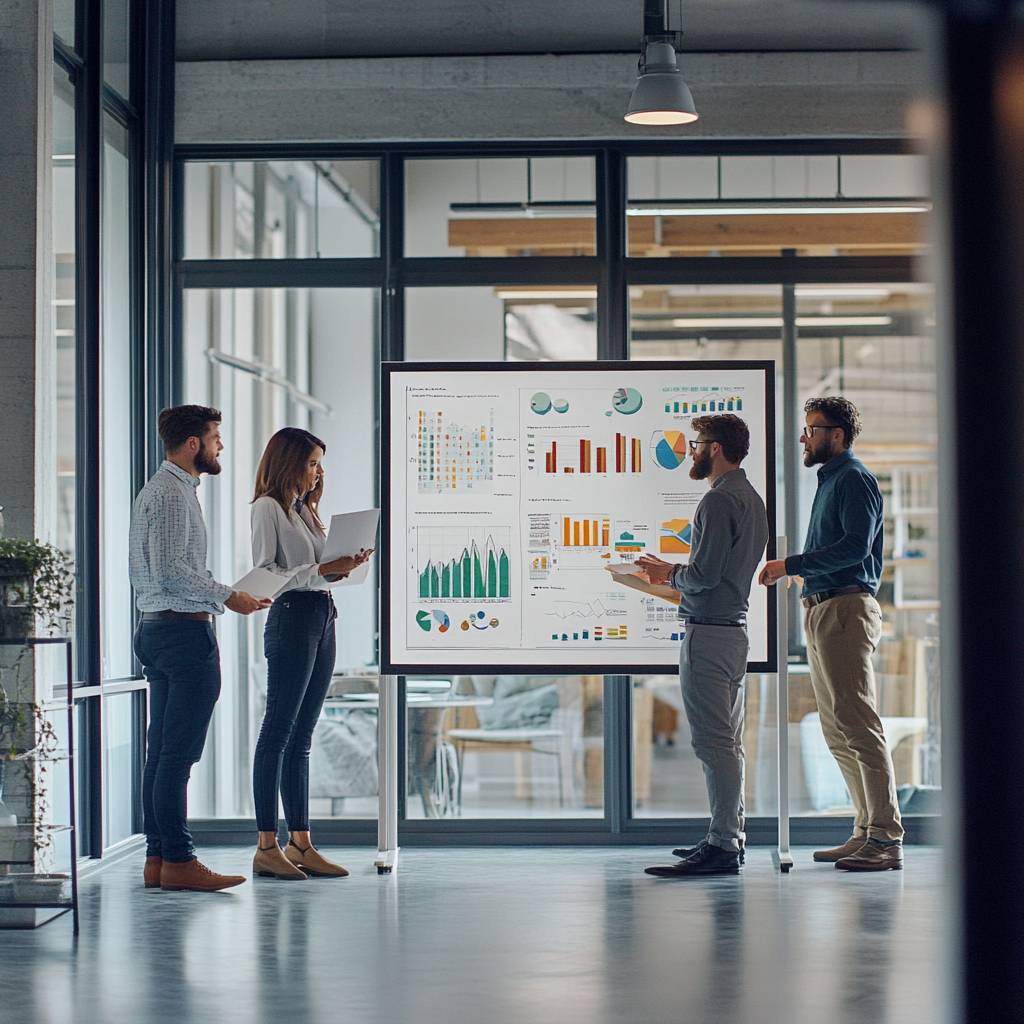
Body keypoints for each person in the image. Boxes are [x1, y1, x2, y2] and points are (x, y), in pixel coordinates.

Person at [130, 405, 271, 893]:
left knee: (161, 754)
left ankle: (159, 859)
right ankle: (180, 860)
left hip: (160, 629)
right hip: (182, 635)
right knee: (177, 756)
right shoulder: (171, 494)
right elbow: (171, 571)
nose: (220, 446)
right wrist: (229, 594)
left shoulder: (167, 489)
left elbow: (169, 570)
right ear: (193, 444)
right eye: (215, 437)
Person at [759, 396, 904, 872]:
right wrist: (806, 575)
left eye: (812, 429)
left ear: (836, 436)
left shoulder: (855, 479)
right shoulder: (831, 480)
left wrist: (790, 565)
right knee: (836, 726)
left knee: (858, 723)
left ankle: (886, 837)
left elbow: (854, 547)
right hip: (824, 607)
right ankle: (865, 829)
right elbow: (838, 548)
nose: (805, 437)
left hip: (845, 609)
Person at [636, 414, 769, 877]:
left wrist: (664, 575)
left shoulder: (717, 501)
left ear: (715, 448)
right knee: (728, 743)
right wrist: (675, 571)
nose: (690, 451)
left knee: (714, 745)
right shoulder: (751, 499)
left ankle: (722, 846)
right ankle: (728, 836)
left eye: (695, 444)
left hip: (708, 635)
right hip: (733, 632)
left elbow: (705, 576)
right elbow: (721, 570)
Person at [250, 427, 372, 880]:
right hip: (291, 619)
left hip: (322, 618)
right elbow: (267, 573)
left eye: (320, 463)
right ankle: (266, 845)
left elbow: (316, 572)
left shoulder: (303, 511)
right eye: (312, 462)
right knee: (277, 733)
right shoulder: (267, 509)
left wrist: (341, 567)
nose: (319, 470)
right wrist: (322, 569)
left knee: (303, 738)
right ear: (289, 462)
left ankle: (301, 843)